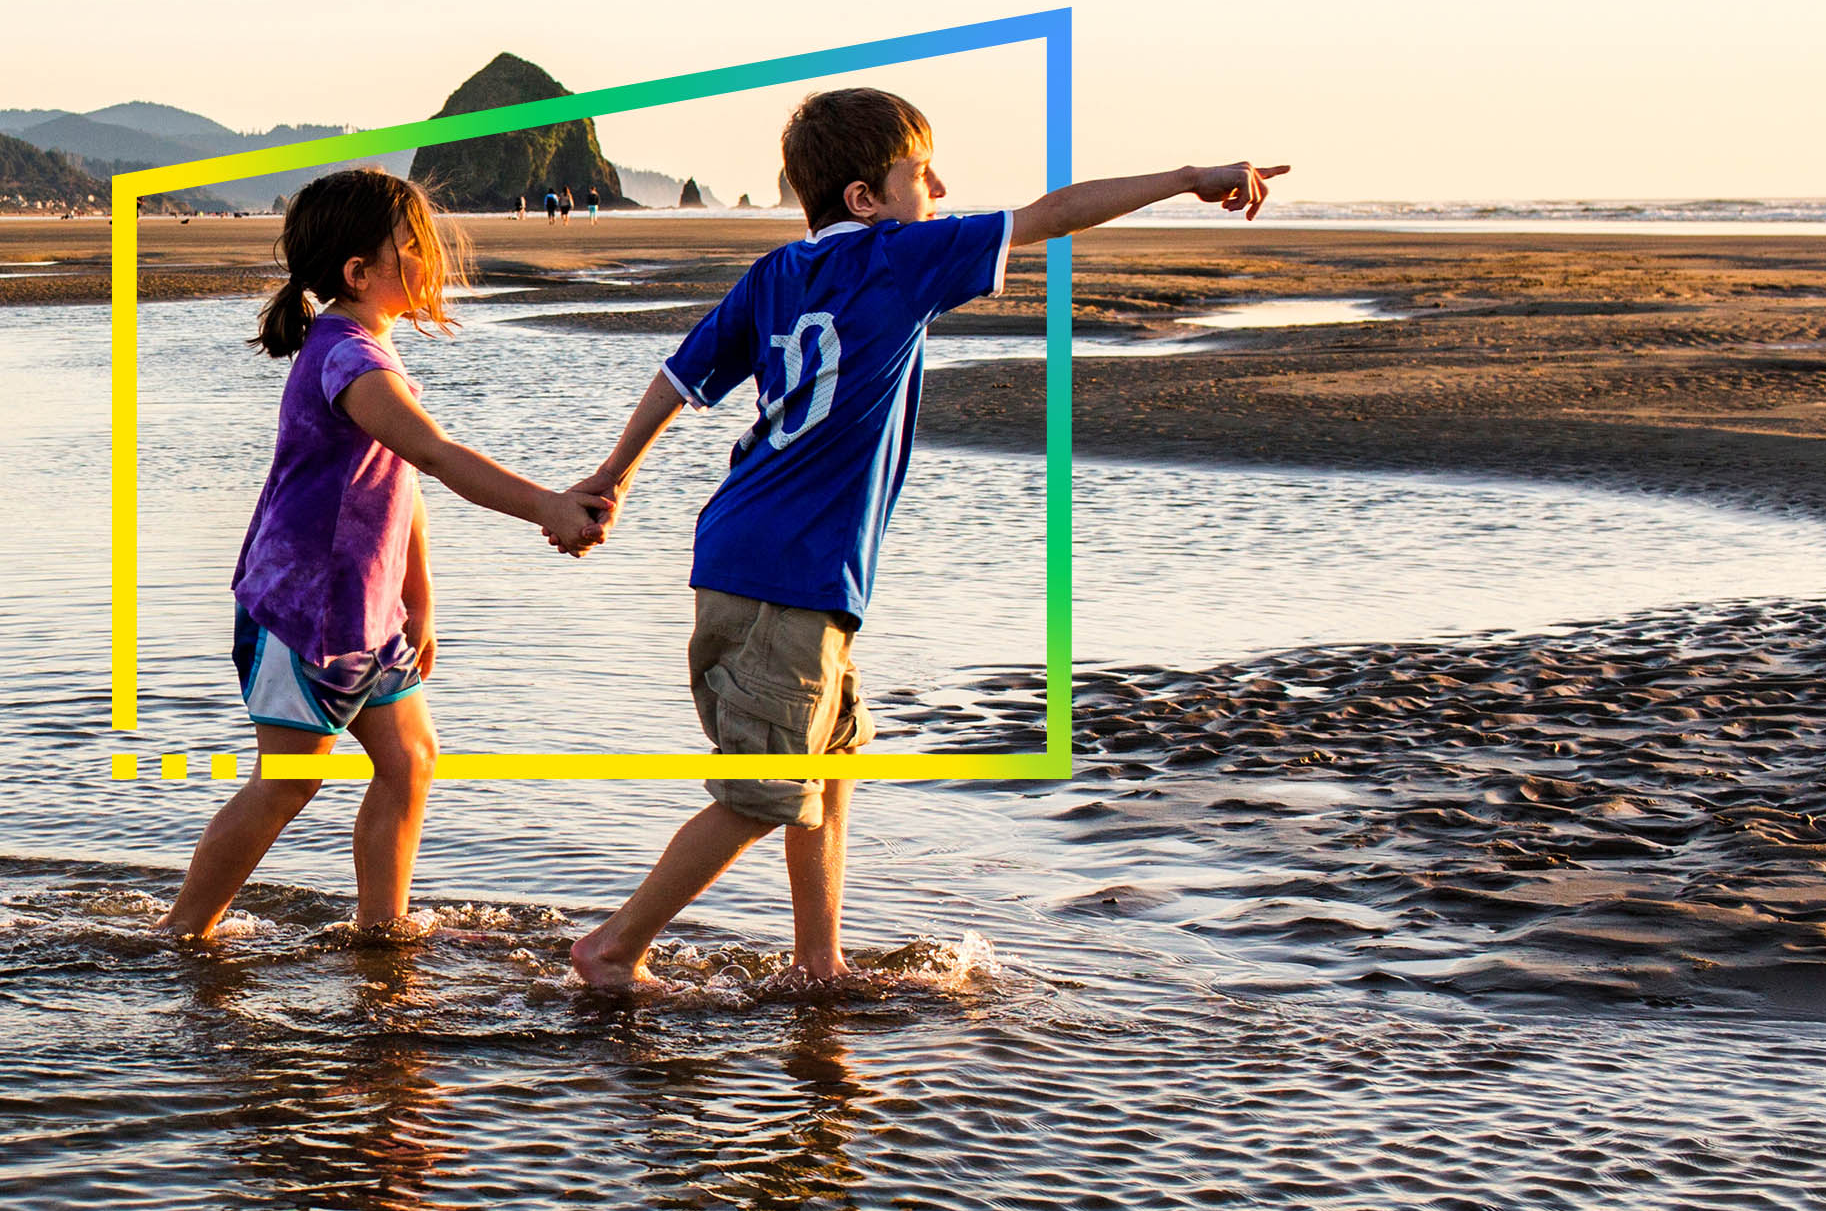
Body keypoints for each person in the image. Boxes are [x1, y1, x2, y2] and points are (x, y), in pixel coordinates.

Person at [562, 87, 1286, 989]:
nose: (939, 186)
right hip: (787, 574)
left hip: (764, 560)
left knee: (829, 766)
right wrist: (1187, 178)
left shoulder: (776, 274)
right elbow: (1051, 215)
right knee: (760, 791)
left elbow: (678, 378)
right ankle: (612, 948)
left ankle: (818, 964)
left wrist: (614, 475)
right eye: (920, 172)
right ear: (867, 200)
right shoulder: (898, 256)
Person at [168, 168, 614, 942]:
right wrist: (545, 504)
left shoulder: (365, 349)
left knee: (410, 762)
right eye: (416, 244)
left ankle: (382, 933)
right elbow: (435, 455)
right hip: (303, 610)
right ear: (359, 272)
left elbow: (399, 487)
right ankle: (183, 931)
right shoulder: (348, 358)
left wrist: (421, 602)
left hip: (371, 613)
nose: (434, 256)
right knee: (289, 780)